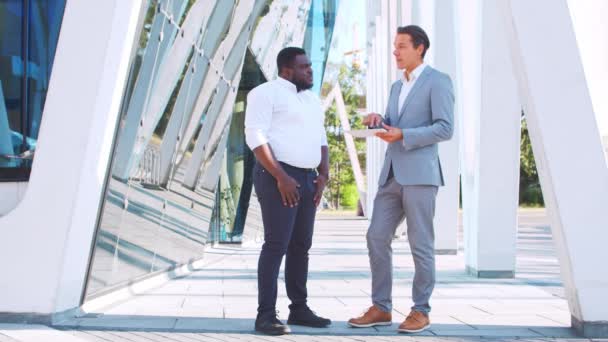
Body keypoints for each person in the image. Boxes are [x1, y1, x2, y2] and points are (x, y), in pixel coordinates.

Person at [348, 25, 454, 333]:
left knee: (421, 243)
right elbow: (395, 124)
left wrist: (404, 134)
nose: (396, 51)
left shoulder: (438, 81)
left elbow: (445, 128)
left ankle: (421, 310)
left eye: (402, 46)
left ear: (420, 48)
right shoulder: (397, 86)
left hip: (421, 175)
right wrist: (379, 121)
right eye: (395, 46)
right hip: (391, 174)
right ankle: (381, 307)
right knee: (376, 236)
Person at [244, 47, 331, 336]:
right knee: (276, 245)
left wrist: (324, 175)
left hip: (308, 179)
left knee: (300, 247)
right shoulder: (264, 93)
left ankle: (299, 309)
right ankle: (265, 316)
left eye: (310, 65)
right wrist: (280, 176)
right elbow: (254, 135)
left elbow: (321, 137)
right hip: (277, 176)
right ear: (286, 70)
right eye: (304, 66)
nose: (310, 70)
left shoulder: (311, 100)